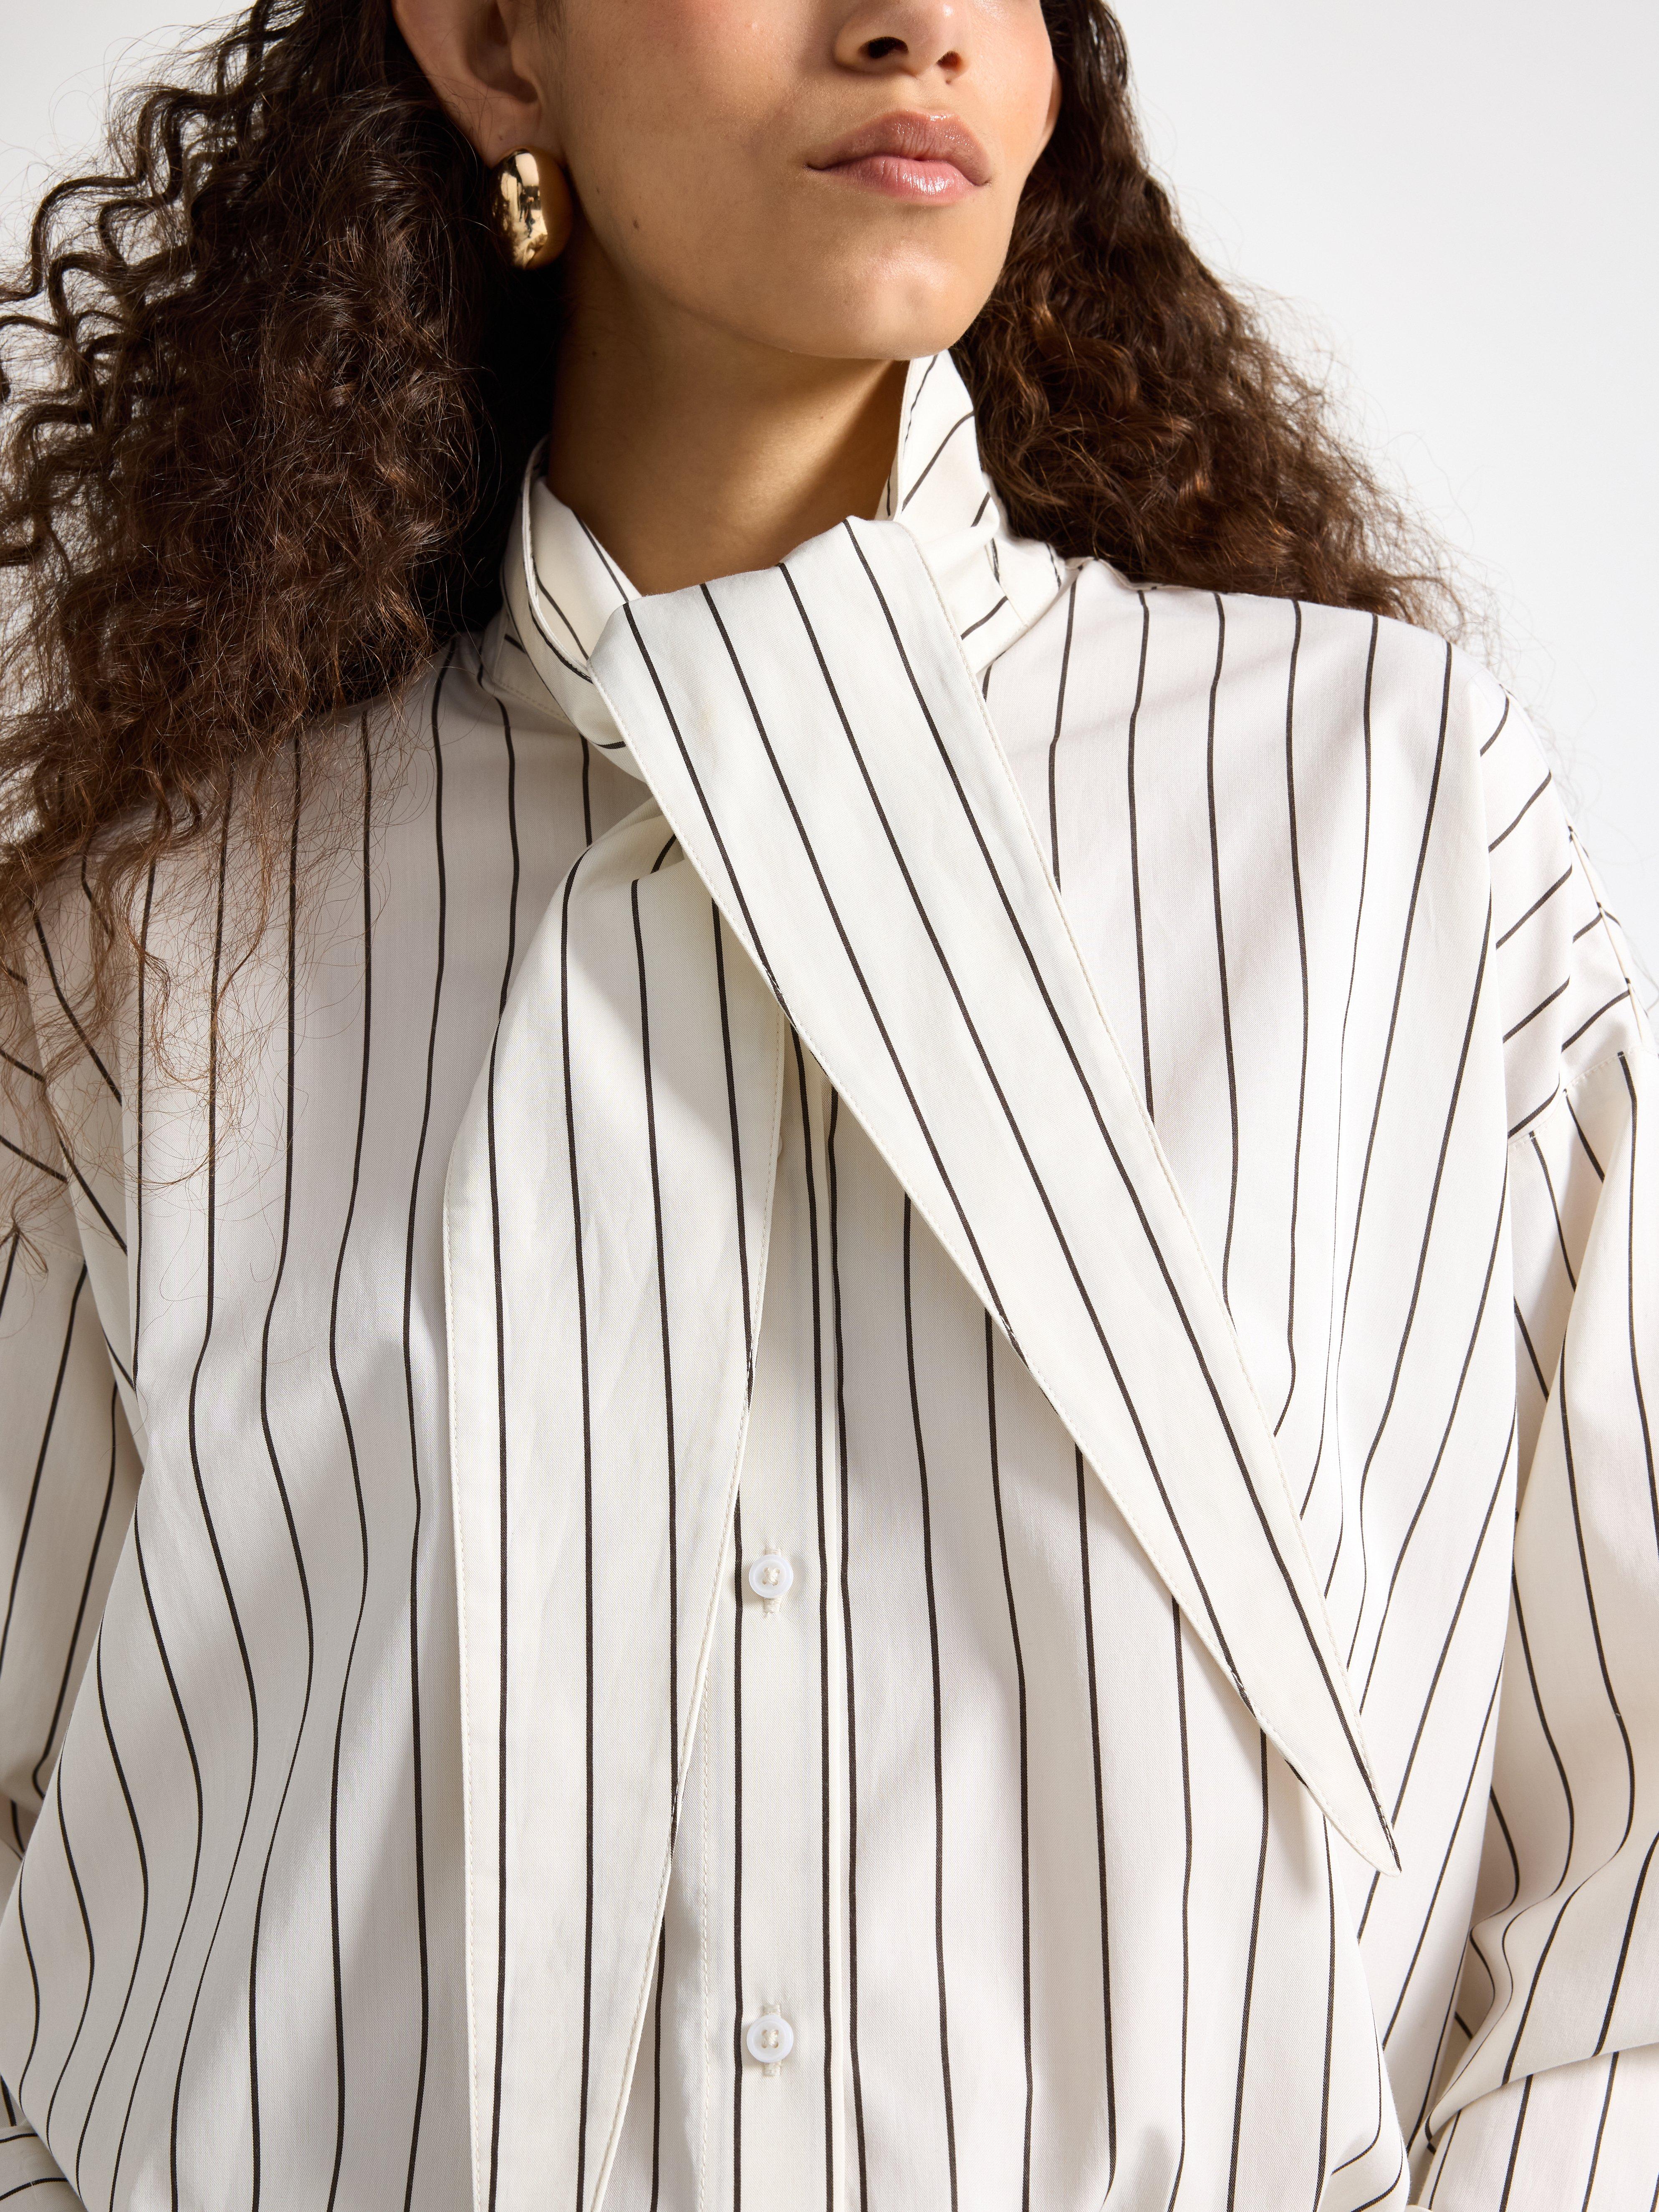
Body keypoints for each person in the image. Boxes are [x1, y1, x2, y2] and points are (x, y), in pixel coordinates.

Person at [0, 0, 1652, 2204]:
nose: (911, 24)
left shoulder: (1379, 815)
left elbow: (1622, 1807)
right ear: (500, 50)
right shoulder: (165, 934)